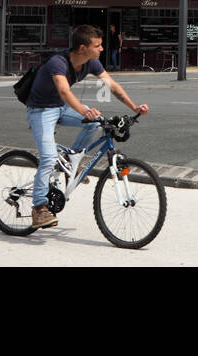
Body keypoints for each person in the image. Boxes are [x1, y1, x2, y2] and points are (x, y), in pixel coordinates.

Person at [25, 24, 147, 231]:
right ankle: (39, 208)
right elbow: (64, 91)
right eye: (97, 46)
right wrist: (83, 111)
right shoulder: (58, 62)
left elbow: (113, 86)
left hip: (62, 108)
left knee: (96, 121)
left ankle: (72, 159)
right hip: (41, 111)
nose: (101, 49)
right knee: (46, 158)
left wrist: (134, 106)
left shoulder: (91, 63)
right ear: (82, 48)